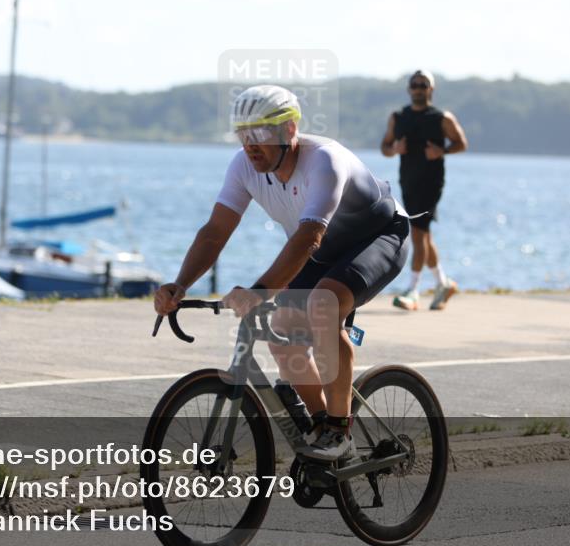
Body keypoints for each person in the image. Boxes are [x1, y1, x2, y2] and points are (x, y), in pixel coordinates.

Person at [154, 85, 410, 462]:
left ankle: (340, 431)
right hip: (323, 250)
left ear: (289, 130)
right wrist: (179, 284)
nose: (249, 145)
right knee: (281, 331)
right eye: (243, 135)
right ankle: (321, 423)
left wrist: (258, 290)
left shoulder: (324, 160)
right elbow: (215, 232)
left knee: (324, 306)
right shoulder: (243, 167)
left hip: (378, 236)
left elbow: (308, 237)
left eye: (259, 133)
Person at [381, 70, 468, 311]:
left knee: (418, 233)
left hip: (431, 183)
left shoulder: (442, 118)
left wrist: (443, 152)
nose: (419, 88)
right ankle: (443, 283)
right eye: (415, 84)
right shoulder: (398, 117)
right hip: (408, 181)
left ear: (431, 89)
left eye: (423, 84)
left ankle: (413, 291)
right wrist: (395, 149)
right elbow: (384, 147)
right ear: (409, 89)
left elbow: (461, 143)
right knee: (424, 235)